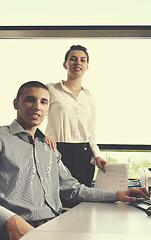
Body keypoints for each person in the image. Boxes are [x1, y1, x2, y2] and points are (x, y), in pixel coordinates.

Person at [0, 81, 148, 240]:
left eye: (43, 102)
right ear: (16, 103)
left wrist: (117, 194)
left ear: (48, 108)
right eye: (30, 100)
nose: (37, 106)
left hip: (54, 230)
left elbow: (73, 190)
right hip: (9, 233)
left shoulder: (49, 147)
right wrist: (12, 222)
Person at [45, 45, 107, 189]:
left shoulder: (89, 98)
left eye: (82, 60)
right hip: (56, 151)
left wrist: (97, 155)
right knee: (55, 198)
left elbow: (90, 133)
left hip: (84, 155)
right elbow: (36, 114)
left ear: (87, 67)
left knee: (82, 202)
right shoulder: (51, 89)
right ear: (64, 64)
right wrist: (42, 136)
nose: (77, 63)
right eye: (73, 59)